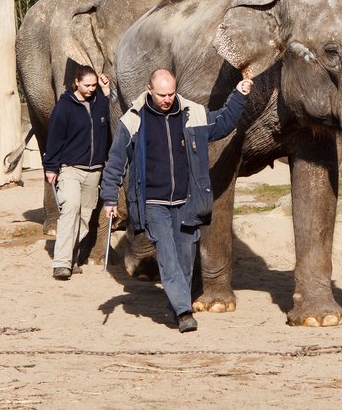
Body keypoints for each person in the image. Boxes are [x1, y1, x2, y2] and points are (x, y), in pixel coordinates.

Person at [100, 69, 252, 333]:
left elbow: (224, 124)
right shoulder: (133, 121)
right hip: (152, 204)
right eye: (162, 95)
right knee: (167, 255)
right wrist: (110, 198)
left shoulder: (192, 113)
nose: (168, 99)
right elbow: (115, 162)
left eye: (171, 93)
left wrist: (239, 95)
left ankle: (174, 305)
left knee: (184, 257)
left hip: (187, 201)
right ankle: (184, 311)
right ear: (149, 90)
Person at [43, 65, 111, 281]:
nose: (91, 89)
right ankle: (61, 264)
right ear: (76, 83)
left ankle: (71, 255)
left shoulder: (99, 103)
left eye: (94, 85)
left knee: (85, 216)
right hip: (70, 169)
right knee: (70, 208)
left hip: (94, 171)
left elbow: (111, 112)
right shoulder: (64, 107)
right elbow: (54, 138)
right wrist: (51, 167)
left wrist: (106, 90)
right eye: (87, 85)